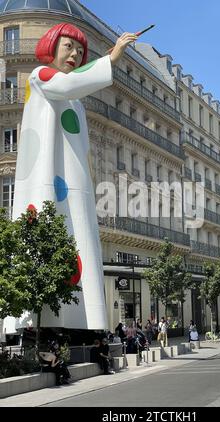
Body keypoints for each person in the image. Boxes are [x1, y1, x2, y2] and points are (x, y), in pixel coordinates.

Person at [12, 23, 137, 330]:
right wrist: (112, 59)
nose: (75, 54)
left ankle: (82, 324)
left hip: (74, 185)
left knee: (78, 241)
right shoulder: (40, 76)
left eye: (80, 50)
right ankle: (35, 324)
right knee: (47, 232)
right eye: (68, 46)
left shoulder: (77, 104)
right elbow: (66, 85)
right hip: (45, 175)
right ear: (51, 46)